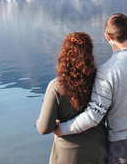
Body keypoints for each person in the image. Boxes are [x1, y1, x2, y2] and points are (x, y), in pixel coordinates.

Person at [54, 13, 127, 164]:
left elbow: (94, 115)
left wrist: (62, 129)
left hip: (124, 144)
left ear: (107, 37)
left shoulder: (106, 72)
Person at [37, 32, 108, 164]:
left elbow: (43, 128)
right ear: (90, 55)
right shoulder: (101, 83)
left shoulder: (56, 87)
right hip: (99, 153)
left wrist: (58, 125)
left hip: (67, 157)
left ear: (64, 55)